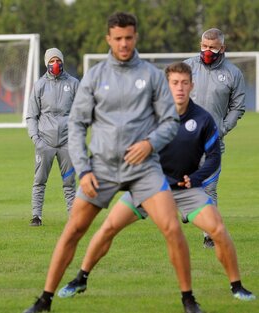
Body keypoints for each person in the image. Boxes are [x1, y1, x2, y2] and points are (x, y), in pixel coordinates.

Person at [24, 12, 202, 313]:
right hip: (103, 168)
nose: (123, 43)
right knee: (73, 231)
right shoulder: (94, 77)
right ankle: (44, 300)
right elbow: (78, 125)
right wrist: (83, 169)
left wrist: (149, 144)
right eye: (117, 38)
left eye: (128, 38)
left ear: (135, 38)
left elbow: (170, 121)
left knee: (173, 227)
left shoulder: (151, 75)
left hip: (144, 168)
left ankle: (188, 300)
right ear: (109, 39)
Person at [57, 62, 256, 306]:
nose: (180, 88)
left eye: (184, 83)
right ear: (166, 85)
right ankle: (81, 278)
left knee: (218, 230)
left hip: (185, 190)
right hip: (148, 187)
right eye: (174, 83)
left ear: (192, 86)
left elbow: (214, 157)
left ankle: (237, 286)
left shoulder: (203, 120)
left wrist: (194, 179)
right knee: (108, 227)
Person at [184, 28, 246, 248]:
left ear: (222, 48)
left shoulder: (233, 74)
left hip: (212, 142)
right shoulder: (187, 67)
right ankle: (188, 209)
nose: (207, 51)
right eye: (204, 46)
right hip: (184, 141)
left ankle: (209, 235)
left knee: (209, 188)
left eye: (212, 47)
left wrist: (222, 128)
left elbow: (238, 107)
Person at [26, 47, 79, 226]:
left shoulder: (73, 84)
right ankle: (36, 215)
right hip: (45, 142)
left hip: (67, 142)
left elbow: (81, 112)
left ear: (62, 62)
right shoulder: (39, 85)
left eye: (58, 60)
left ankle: (74, 217)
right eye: (51, 61)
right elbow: (31, 116)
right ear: (46, 63)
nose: (55, 64)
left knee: (70, 182)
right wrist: (36, 139)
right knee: (40, 181)